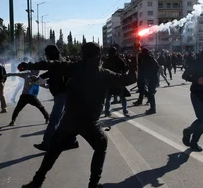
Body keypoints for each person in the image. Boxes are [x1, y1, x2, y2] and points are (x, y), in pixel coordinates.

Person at [19, 42, 136, 188]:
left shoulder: (75, 67)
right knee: (101, 145)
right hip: (89, 122)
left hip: (70, 120)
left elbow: (52, 64)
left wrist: (28, 65)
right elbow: (131, 79)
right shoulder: (105, 74)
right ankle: (93, 184)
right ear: (98, 55)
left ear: (83, 55)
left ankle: (37, 181)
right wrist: (133, 63)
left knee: (54, 150)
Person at [33, 45, 78, 152]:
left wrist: (44, 81)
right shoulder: (58, 62)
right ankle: (71, 141)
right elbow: (51, 72)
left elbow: (58, 79)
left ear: (51, 53)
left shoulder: (59, 62)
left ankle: (46, 143)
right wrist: (40, 78)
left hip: (62, 94)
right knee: (63, 120)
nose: (46, 56)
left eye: (47, 54)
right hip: (62, 94)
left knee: (54, 119)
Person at [102, 47, 131, 117]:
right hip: (118, 80)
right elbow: (124, 70)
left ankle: (107, 112)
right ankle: (125, 111)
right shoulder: (119, 60)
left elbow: (103, 70)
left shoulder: (107, 61)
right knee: (122, 97)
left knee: (108, 98)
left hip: (109, 81)